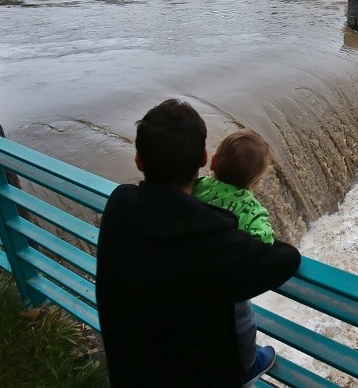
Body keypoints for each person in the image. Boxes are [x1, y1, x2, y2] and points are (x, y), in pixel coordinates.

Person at [95, 99, 301, 387]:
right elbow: (286, 258)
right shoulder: (214, 240)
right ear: (204, 158)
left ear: (139, 161)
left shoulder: (120, 204)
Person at [193, 129, 276, 384]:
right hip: (228, 284)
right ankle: (248, 365)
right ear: (255, 182)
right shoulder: (251, 208)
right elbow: (266, 242)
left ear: (214, 162)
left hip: (195, 278)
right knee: (243, 322)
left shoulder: (198, 187)